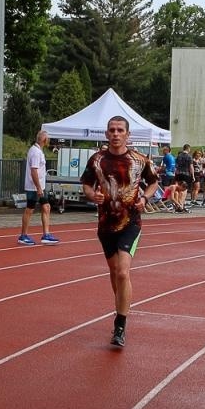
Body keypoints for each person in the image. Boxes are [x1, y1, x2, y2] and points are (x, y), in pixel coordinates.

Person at [79, 116, 158, 348]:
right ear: (106, 134)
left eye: (120, 130)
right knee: (114, 273)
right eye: (112, 130)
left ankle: (120, 324)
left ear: (127, 134)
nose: (115, 134)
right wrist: (92, 195)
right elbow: (86, 184)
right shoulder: (97, 160)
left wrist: (145, 197)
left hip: (130, 222)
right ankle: (120, 307)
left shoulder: (139, 160)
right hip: (105, 224)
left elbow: (153, 182)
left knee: (123, 272)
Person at [18, 130, 59, 245]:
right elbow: (34, 171)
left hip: (38, 186)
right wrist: (39, 188)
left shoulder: (37, 150)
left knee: (46, 207)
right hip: (35, 187)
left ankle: (46, 234)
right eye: (48, 139)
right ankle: (23, 235)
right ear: (45, 140)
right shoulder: (36, 152)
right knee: (30, 209)